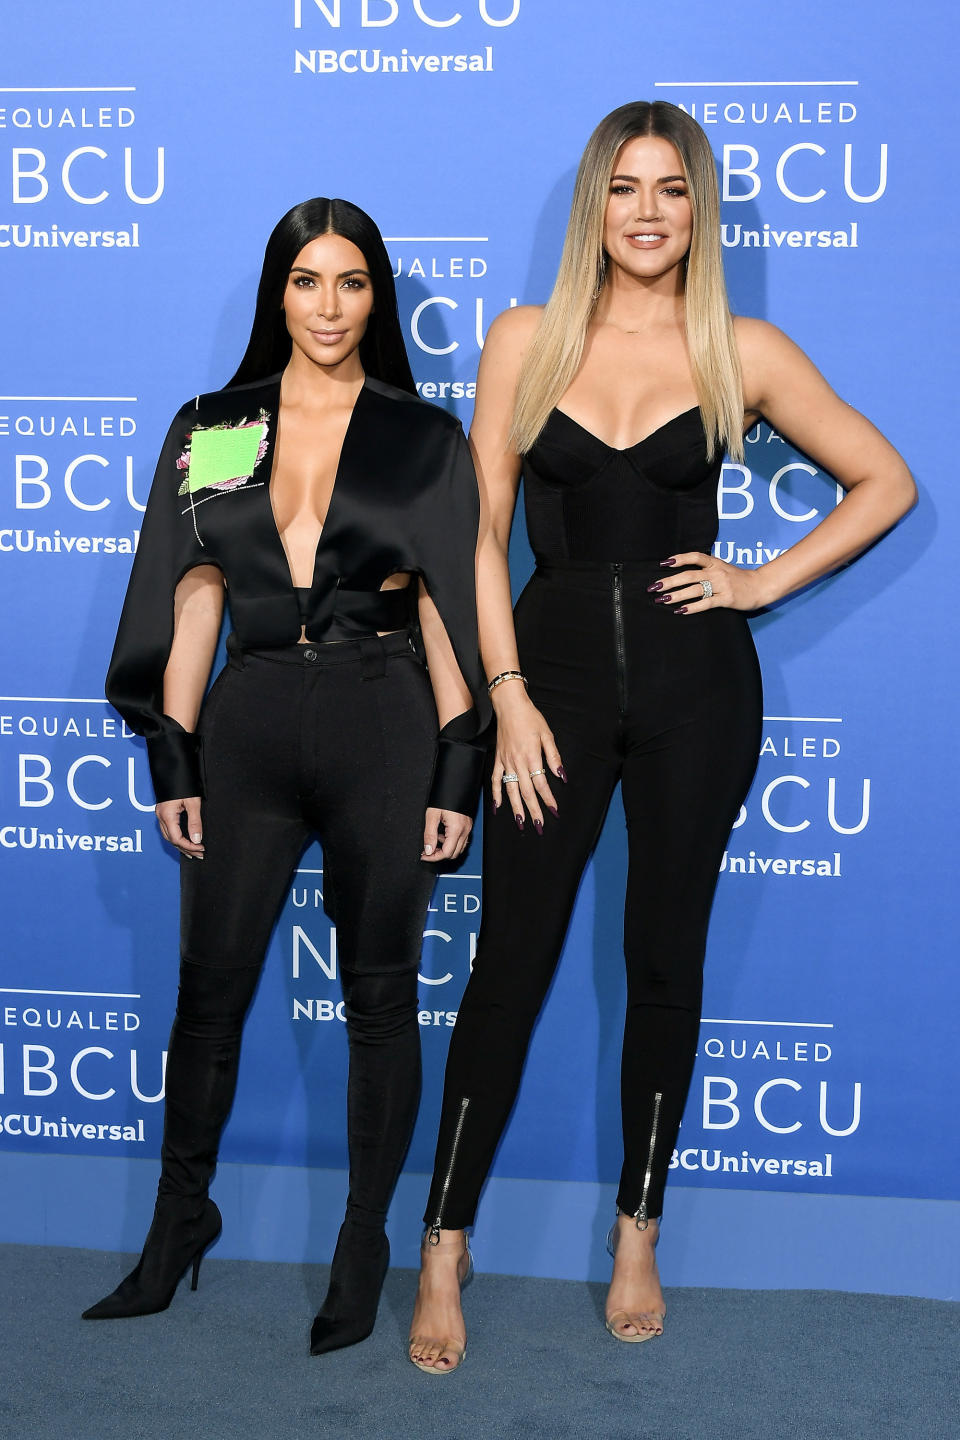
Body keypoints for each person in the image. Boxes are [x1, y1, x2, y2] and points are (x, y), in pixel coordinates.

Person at [408, 100, 916, 1373]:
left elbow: (887, 479)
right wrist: (505, 692)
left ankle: (640, 1229)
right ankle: (444, 1246)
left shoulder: (742, 346)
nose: (648, 211)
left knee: (664, 964)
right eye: (626, 188)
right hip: (550, 693)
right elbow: (478, 533)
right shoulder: (525, 337)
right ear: (595, 207)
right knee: (509, 967)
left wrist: (759, 581)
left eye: (672, 189)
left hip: (700, 689)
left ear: (700, 211)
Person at [81, 197, 490, 1355]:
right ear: (277, 291)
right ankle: (178, 1225)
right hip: (249, 720)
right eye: (306, 281)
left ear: (378, 296)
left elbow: (449, 607)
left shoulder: (423, 436)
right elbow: (193, 589)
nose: (328, 305)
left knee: (379, 1002)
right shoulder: (215, 425)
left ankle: (365, 1244)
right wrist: (175, 750)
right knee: (207, 998)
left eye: (351, 282)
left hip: (382, 720)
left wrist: (457, 770)